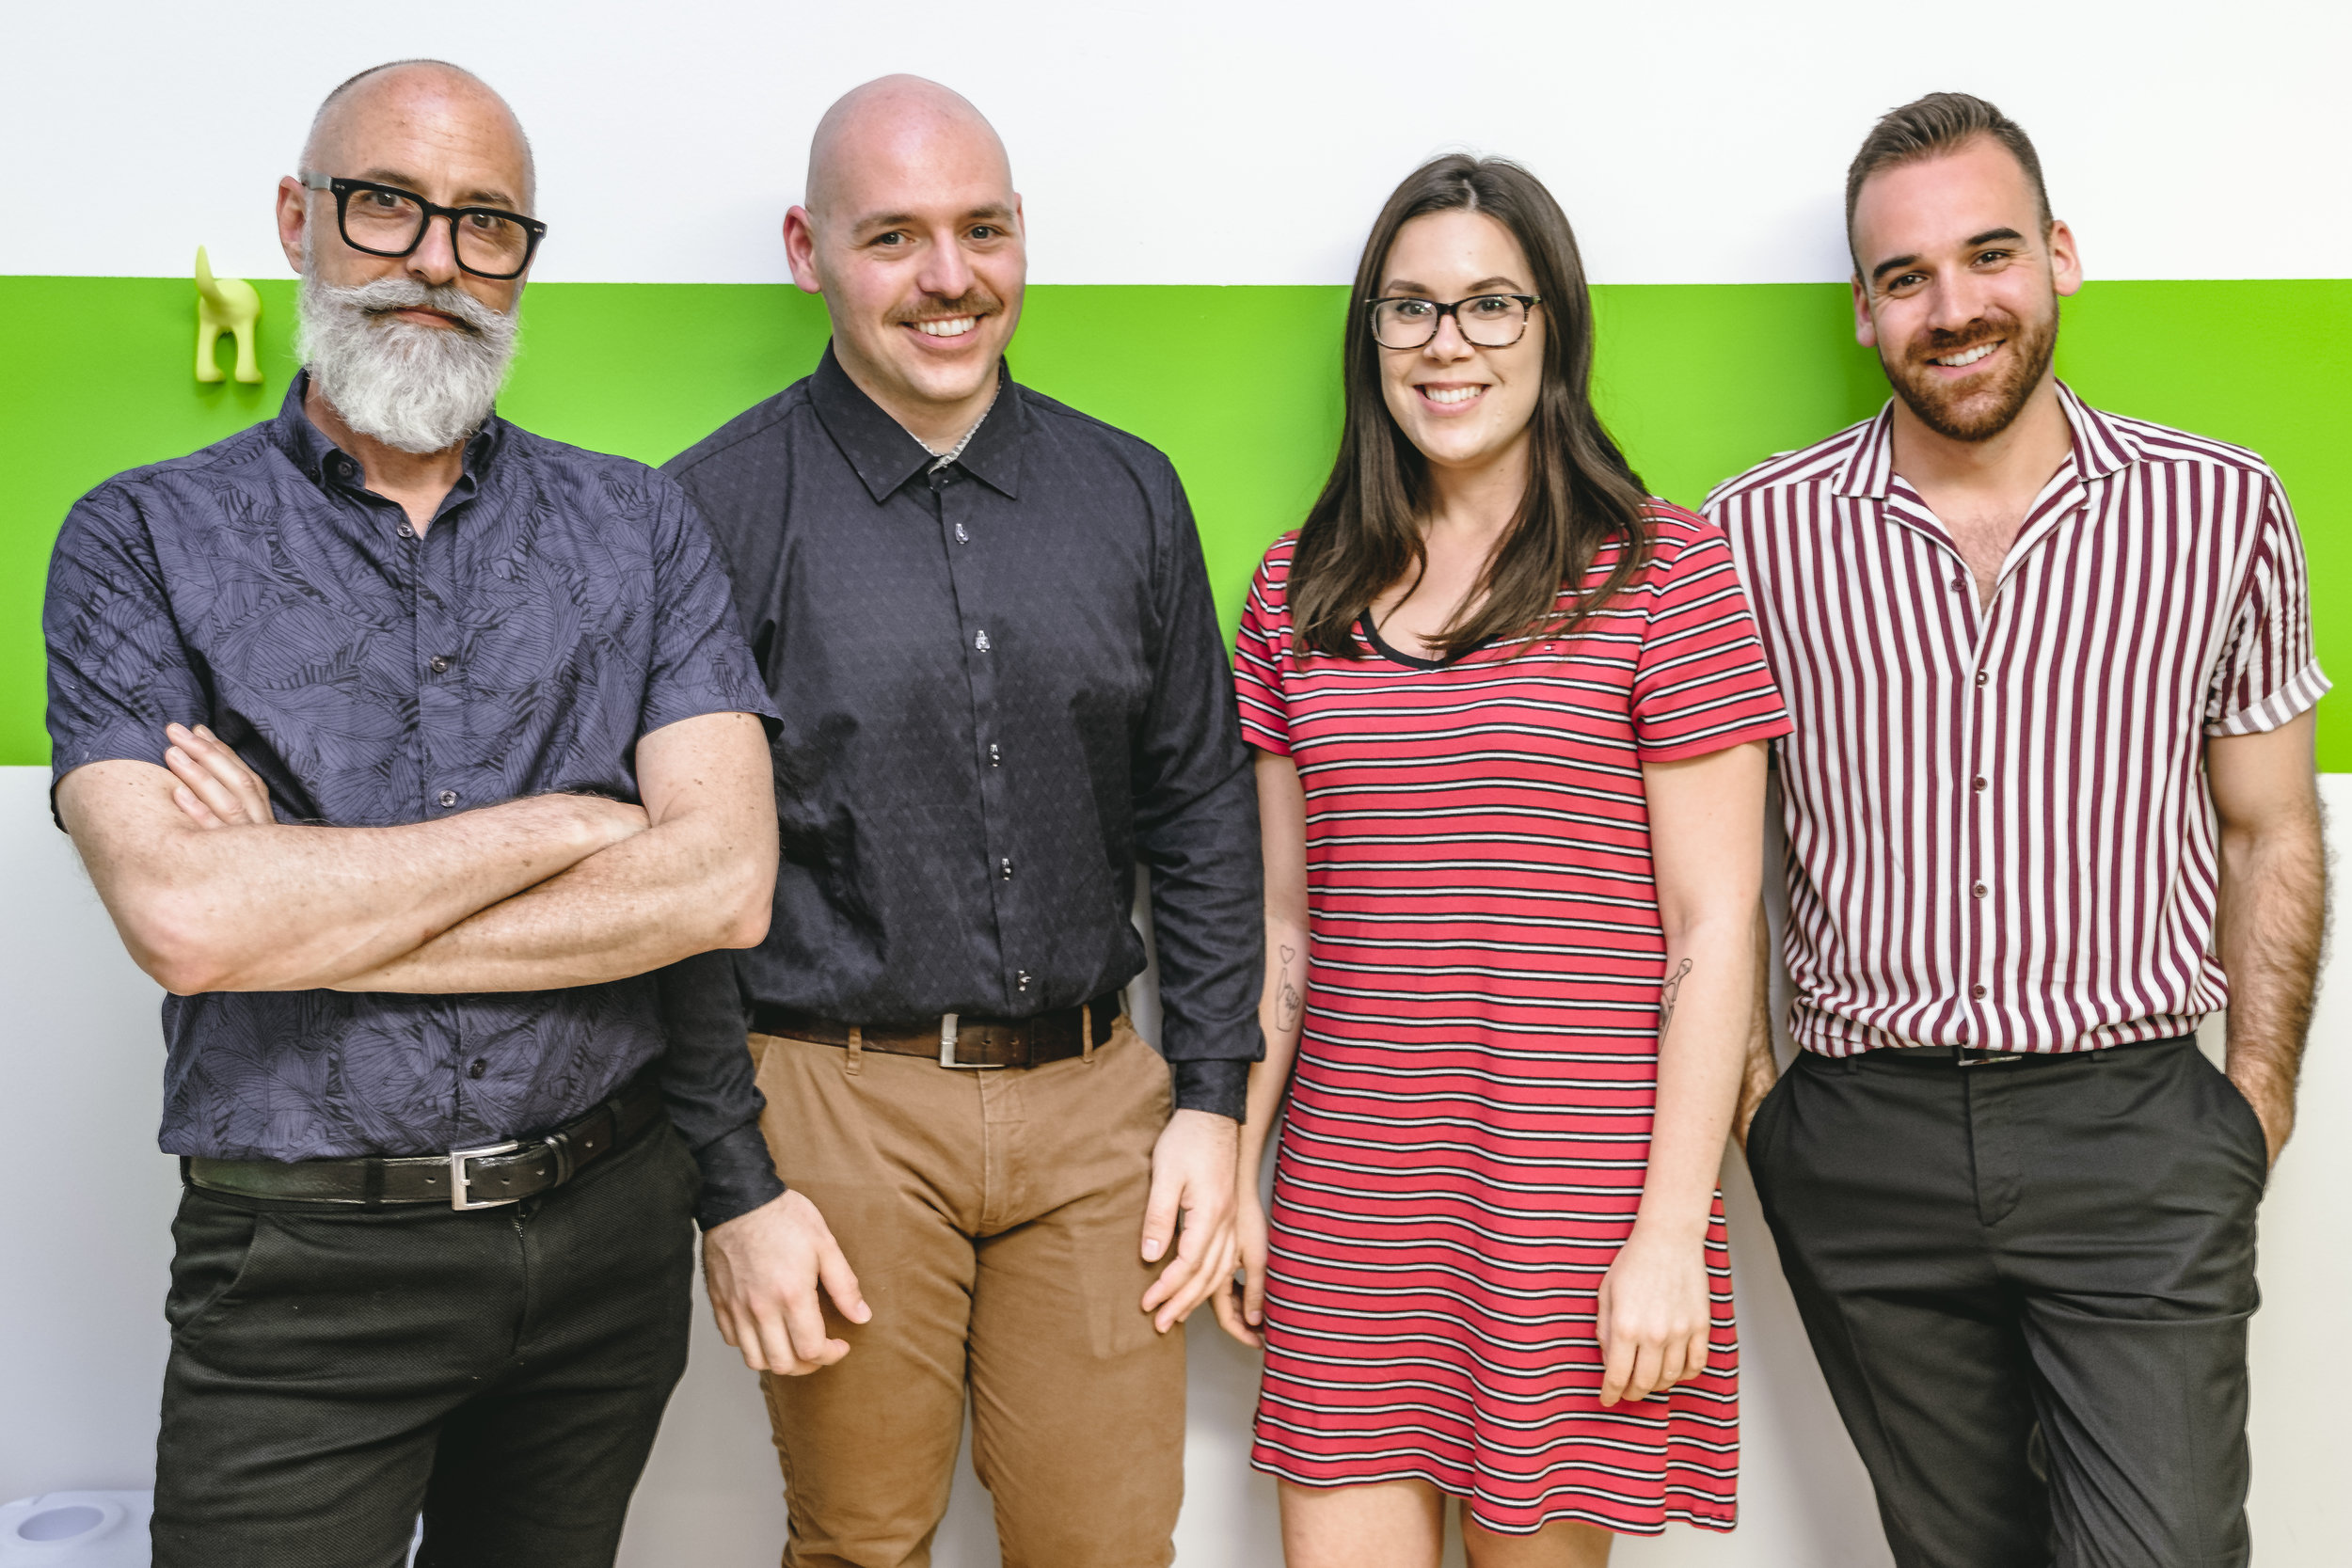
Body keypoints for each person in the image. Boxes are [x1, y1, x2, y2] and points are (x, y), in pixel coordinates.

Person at [42, 59, 799, 1568]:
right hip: (304, 1273)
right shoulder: (139, 537)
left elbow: (721, 884)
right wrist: (572, 824)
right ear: (298, 217)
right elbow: (185, 922)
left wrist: (296, 901)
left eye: (486, 222)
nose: (438, 261)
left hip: (603, 1242)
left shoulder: (638, 525)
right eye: (387, 205)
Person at [1708, 92, 2326, 1568]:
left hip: (2134, 1128)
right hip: (1861, 1139)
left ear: (2060, 255)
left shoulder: (2220, 510)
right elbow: (1709, 869)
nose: (1954, 308)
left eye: (1989, 254)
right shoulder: (1751, 536)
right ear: (1862, 311)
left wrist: (2250, 1107)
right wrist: (1765, 1114)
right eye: (1905, 276)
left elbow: (2272, 832)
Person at [658, 75, 1263, 1567]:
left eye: (982, 230)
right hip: (833, 1101)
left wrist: (1212, 1097)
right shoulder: (707, 514)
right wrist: (733, 1182)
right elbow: (670, 877)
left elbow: (1197, 807)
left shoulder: (1129, 493)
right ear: (807, 250)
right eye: (895, 237)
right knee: (861, 1544)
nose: (949, 277)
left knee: (1108, 1546)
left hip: (1097, 1106)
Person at [1217, 154, 1790, 1568]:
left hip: (1573, 1207)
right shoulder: (1296, 589)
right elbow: (1280, 928)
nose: (1447, 343)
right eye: (1410, 307)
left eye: (1490, 304)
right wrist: (1236, 1169)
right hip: (1352, 1197)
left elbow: (1715, 933)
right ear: (1371, 336)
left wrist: (1672, 1232)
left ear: (1554, 326)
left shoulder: (1666, 573)